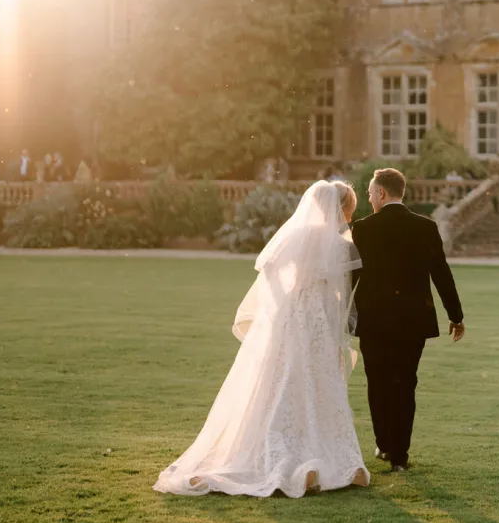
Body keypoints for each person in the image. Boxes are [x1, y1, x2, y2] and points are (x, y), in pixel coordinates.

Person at [155, 181, 369, 497]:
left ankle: (290, 454)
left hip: (291, 318)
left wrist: (286, 302)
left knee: (280, 382)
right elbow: (343, 295)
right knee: (318, 386)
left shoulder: (295, 236)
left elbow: (268, 269)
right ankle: (326, 458)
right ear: (342, 210)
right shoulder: (342, 247)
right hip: (319, 322)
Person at [350, 167, 464, 472]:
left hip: (374, 319)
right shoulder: (426, 227)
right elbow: (442, 274)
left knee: (377, 382)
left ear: (382, 193)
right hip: (413, 320)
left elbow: (351, 278)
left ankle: (384, 444)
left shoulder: (363, 228)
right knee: (405, 383)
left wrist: (337, 314)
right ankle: (400, 456)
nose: (370, 198)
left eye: (371, 193)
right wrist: (456, 315)